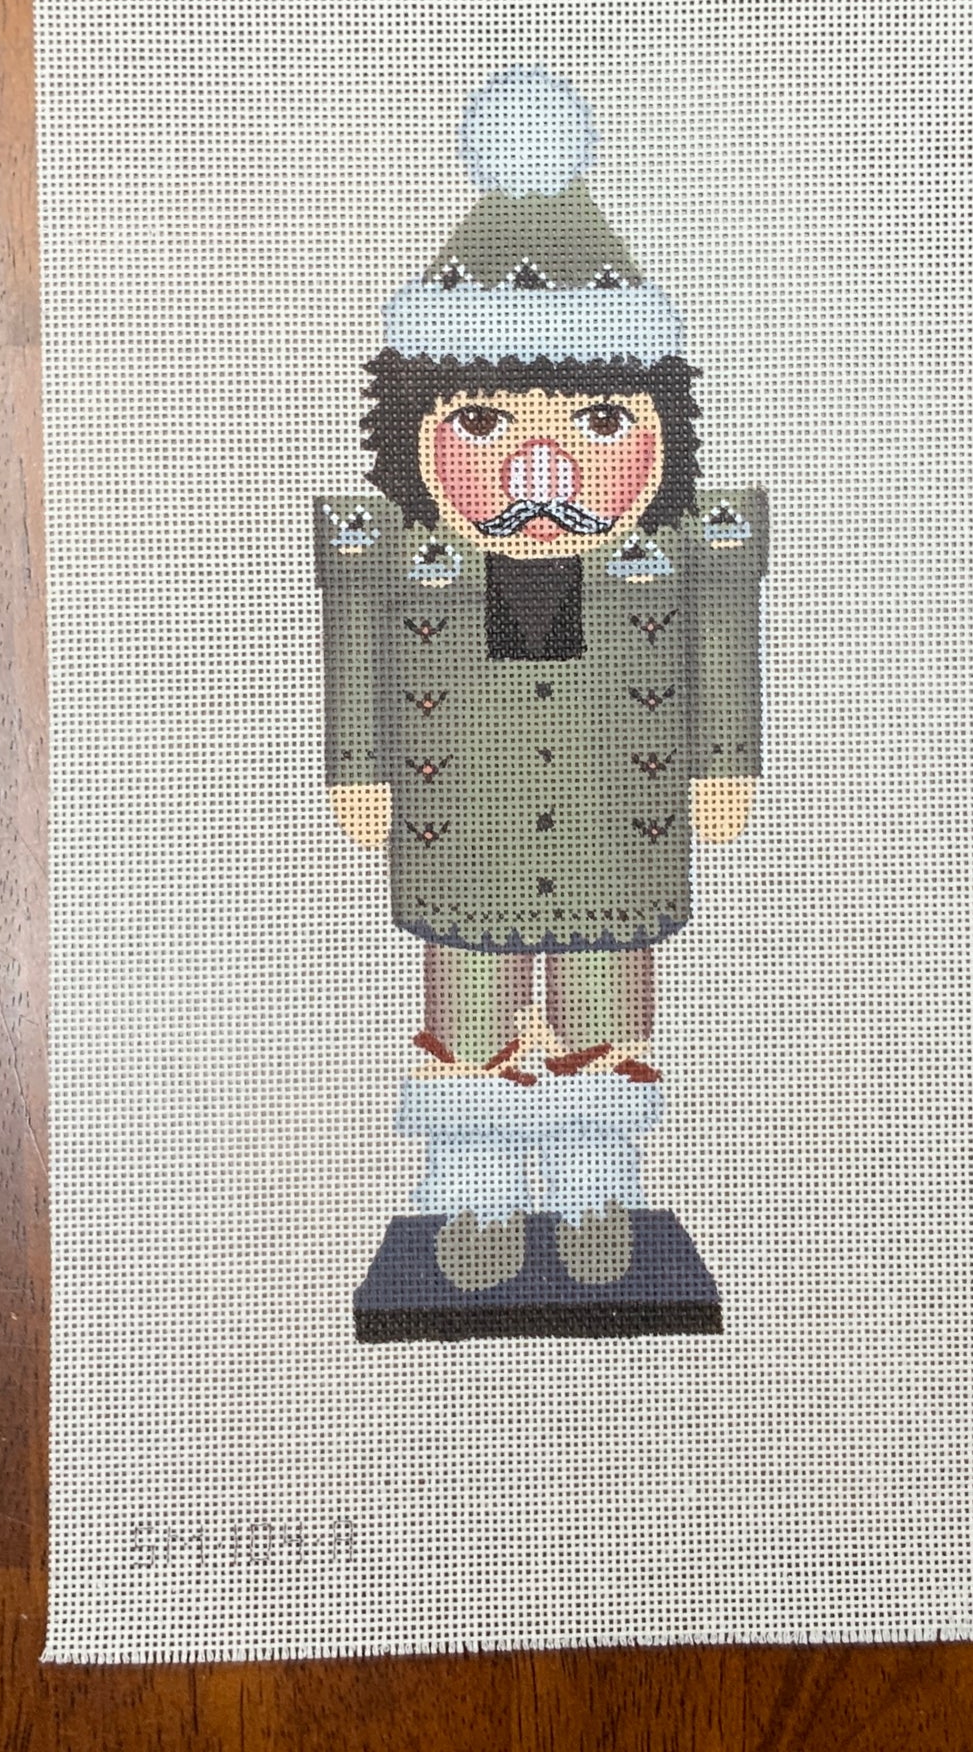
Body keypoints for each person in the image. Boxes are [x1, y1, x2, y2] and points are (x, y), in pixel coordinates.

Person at [316, 68, 767, 1295]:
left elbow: (720, 631)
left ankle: (592, 1180)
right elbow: (357, 643)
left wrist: (724, 758)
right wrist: (357, 766)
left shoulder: (671, 557)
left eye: (598, 423)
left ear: (662, 435)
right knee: (467, 992)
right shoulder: (404, 560)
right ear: (414, 437)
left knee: (607, 991)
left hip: (623, 823)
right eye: (480, 425)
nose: (540, 465)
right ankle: (471, 1184)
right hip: (458, 823)